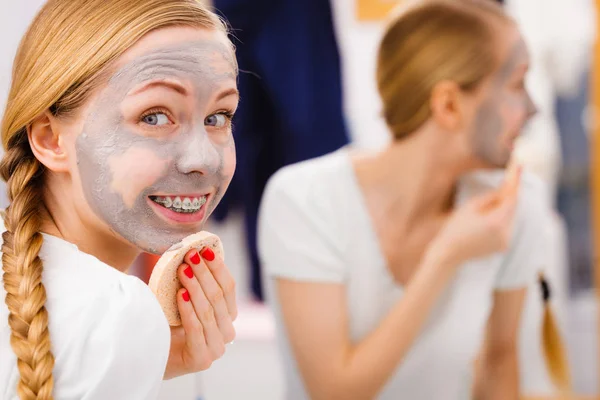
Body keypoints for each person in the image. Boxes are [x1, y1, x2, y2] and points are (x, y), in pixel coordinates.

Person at [258, 0, 555, 399]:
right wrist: (444, 257)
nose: (532, 109)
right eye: (517, 84)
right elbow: (333, 392)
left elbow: (501, 362)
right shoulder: (303, 200)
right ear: (448, 105)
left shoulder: (515, 202)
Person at [0, 0, 239, 399]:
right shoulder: (115, 314)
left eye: (218, 117)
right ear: (49, 138)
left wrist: (146, 362)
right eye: (154, 117)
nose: (202, 159)